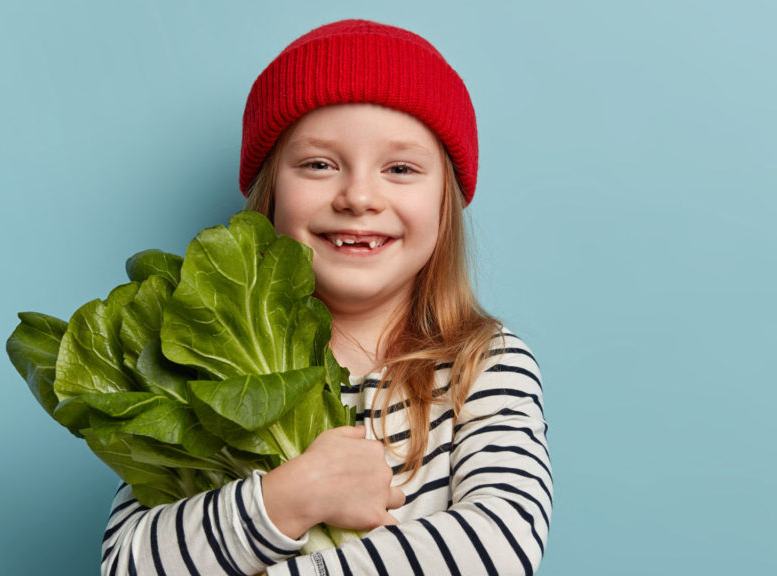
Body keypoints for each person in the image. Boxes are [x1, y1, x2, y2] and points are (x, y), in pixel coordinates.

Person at [101, 19, 551, 575]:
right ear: (271, 194)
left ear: (445, 203)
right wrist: (288, 498)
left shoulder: (482, 363)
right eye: (319, 164)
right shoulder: (202, 367)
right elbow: (127, 565)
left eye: (401, 168)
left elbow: (501, 541)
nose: (359, 196)